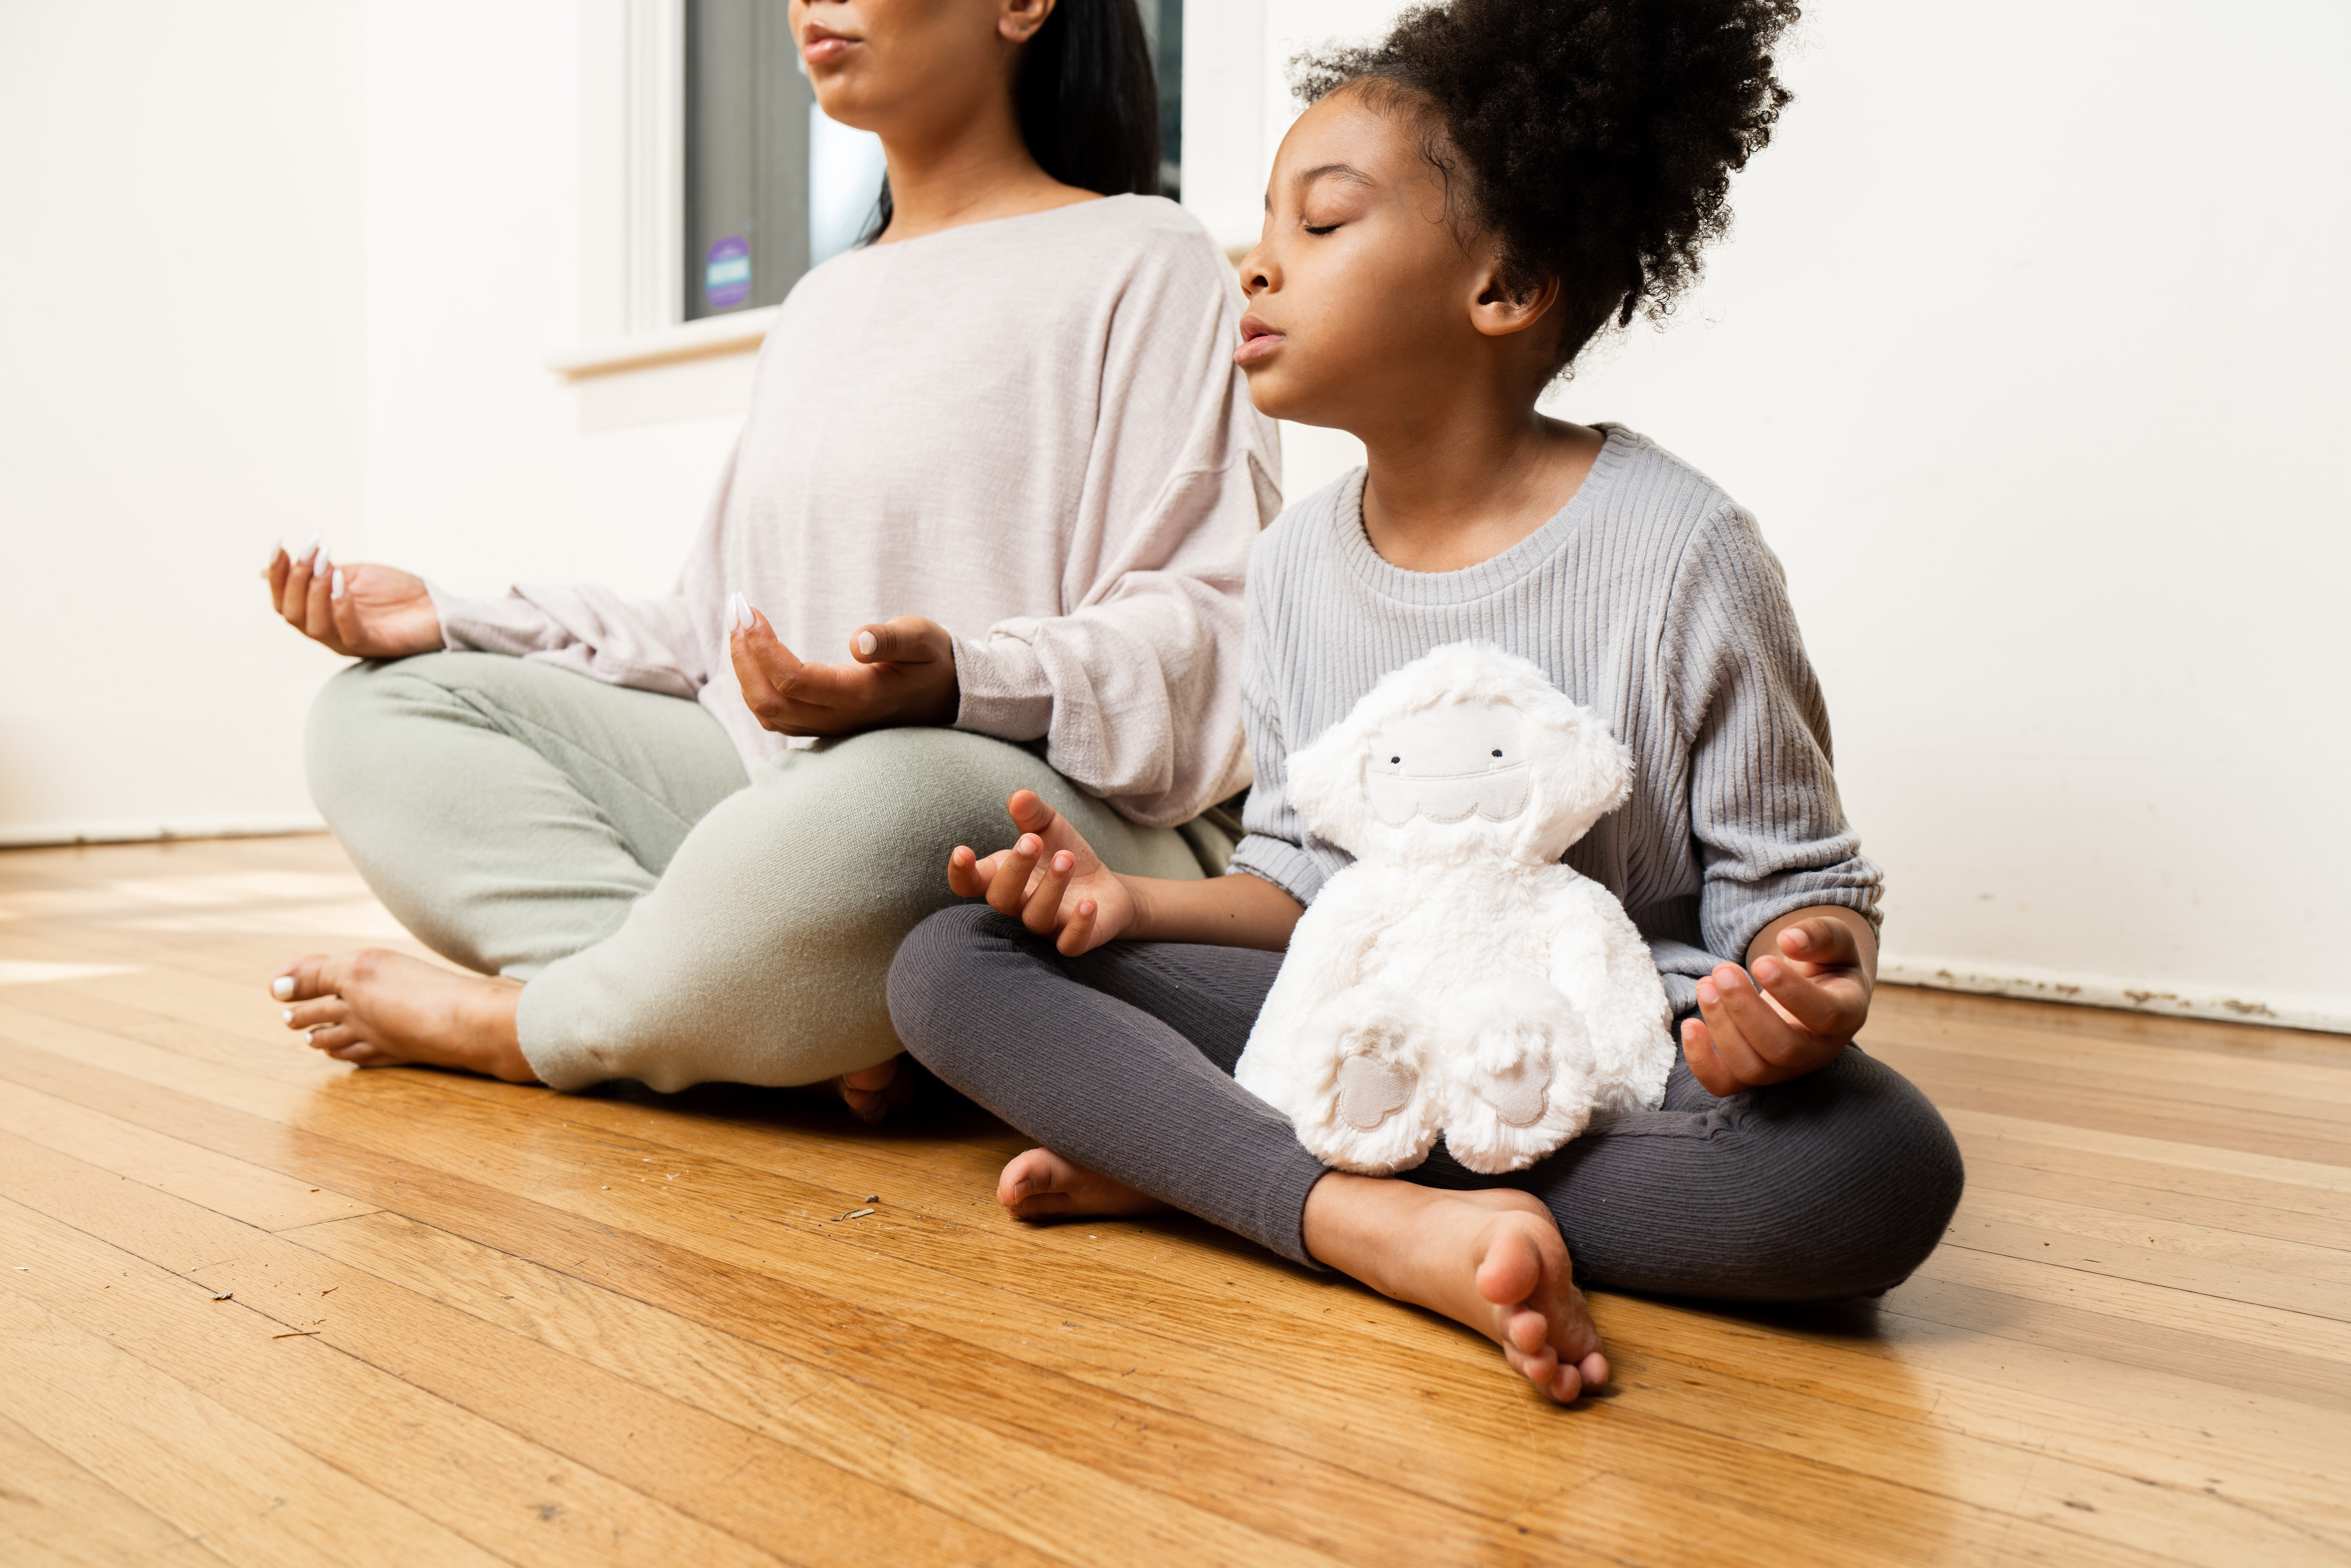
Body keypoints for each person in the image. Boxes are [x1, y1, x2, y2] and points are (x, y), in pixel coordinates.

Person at [886, 0, 1964, 1403]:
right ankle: (1370, 1219)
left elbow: (1795, 896)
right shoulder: (1293, 567)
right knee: (948, 963)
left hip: (1602, 1043)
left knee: (1879, 1172)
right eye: (1267, 222)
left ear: (1504, 284)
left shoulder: (1684, 552)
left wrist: (1806, 990)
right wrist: (1126, 905)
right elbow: (1300, 882)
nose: (1256, 263)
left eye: (1322, 226)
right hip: (1358, 1012)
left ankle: (1218, 1162)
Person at [263, 0, 1277, 1117]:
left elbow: (1212, 636)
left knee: (886, 798)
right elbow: (712, 632)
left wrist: (958, 683)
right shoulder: (822, 304)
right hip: (779, 819)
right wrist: (454, 620)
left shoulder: (1149, 258)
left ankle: (539, 1025)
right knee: (378, 716)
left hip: (1038, 831)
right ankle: (761, 1022)